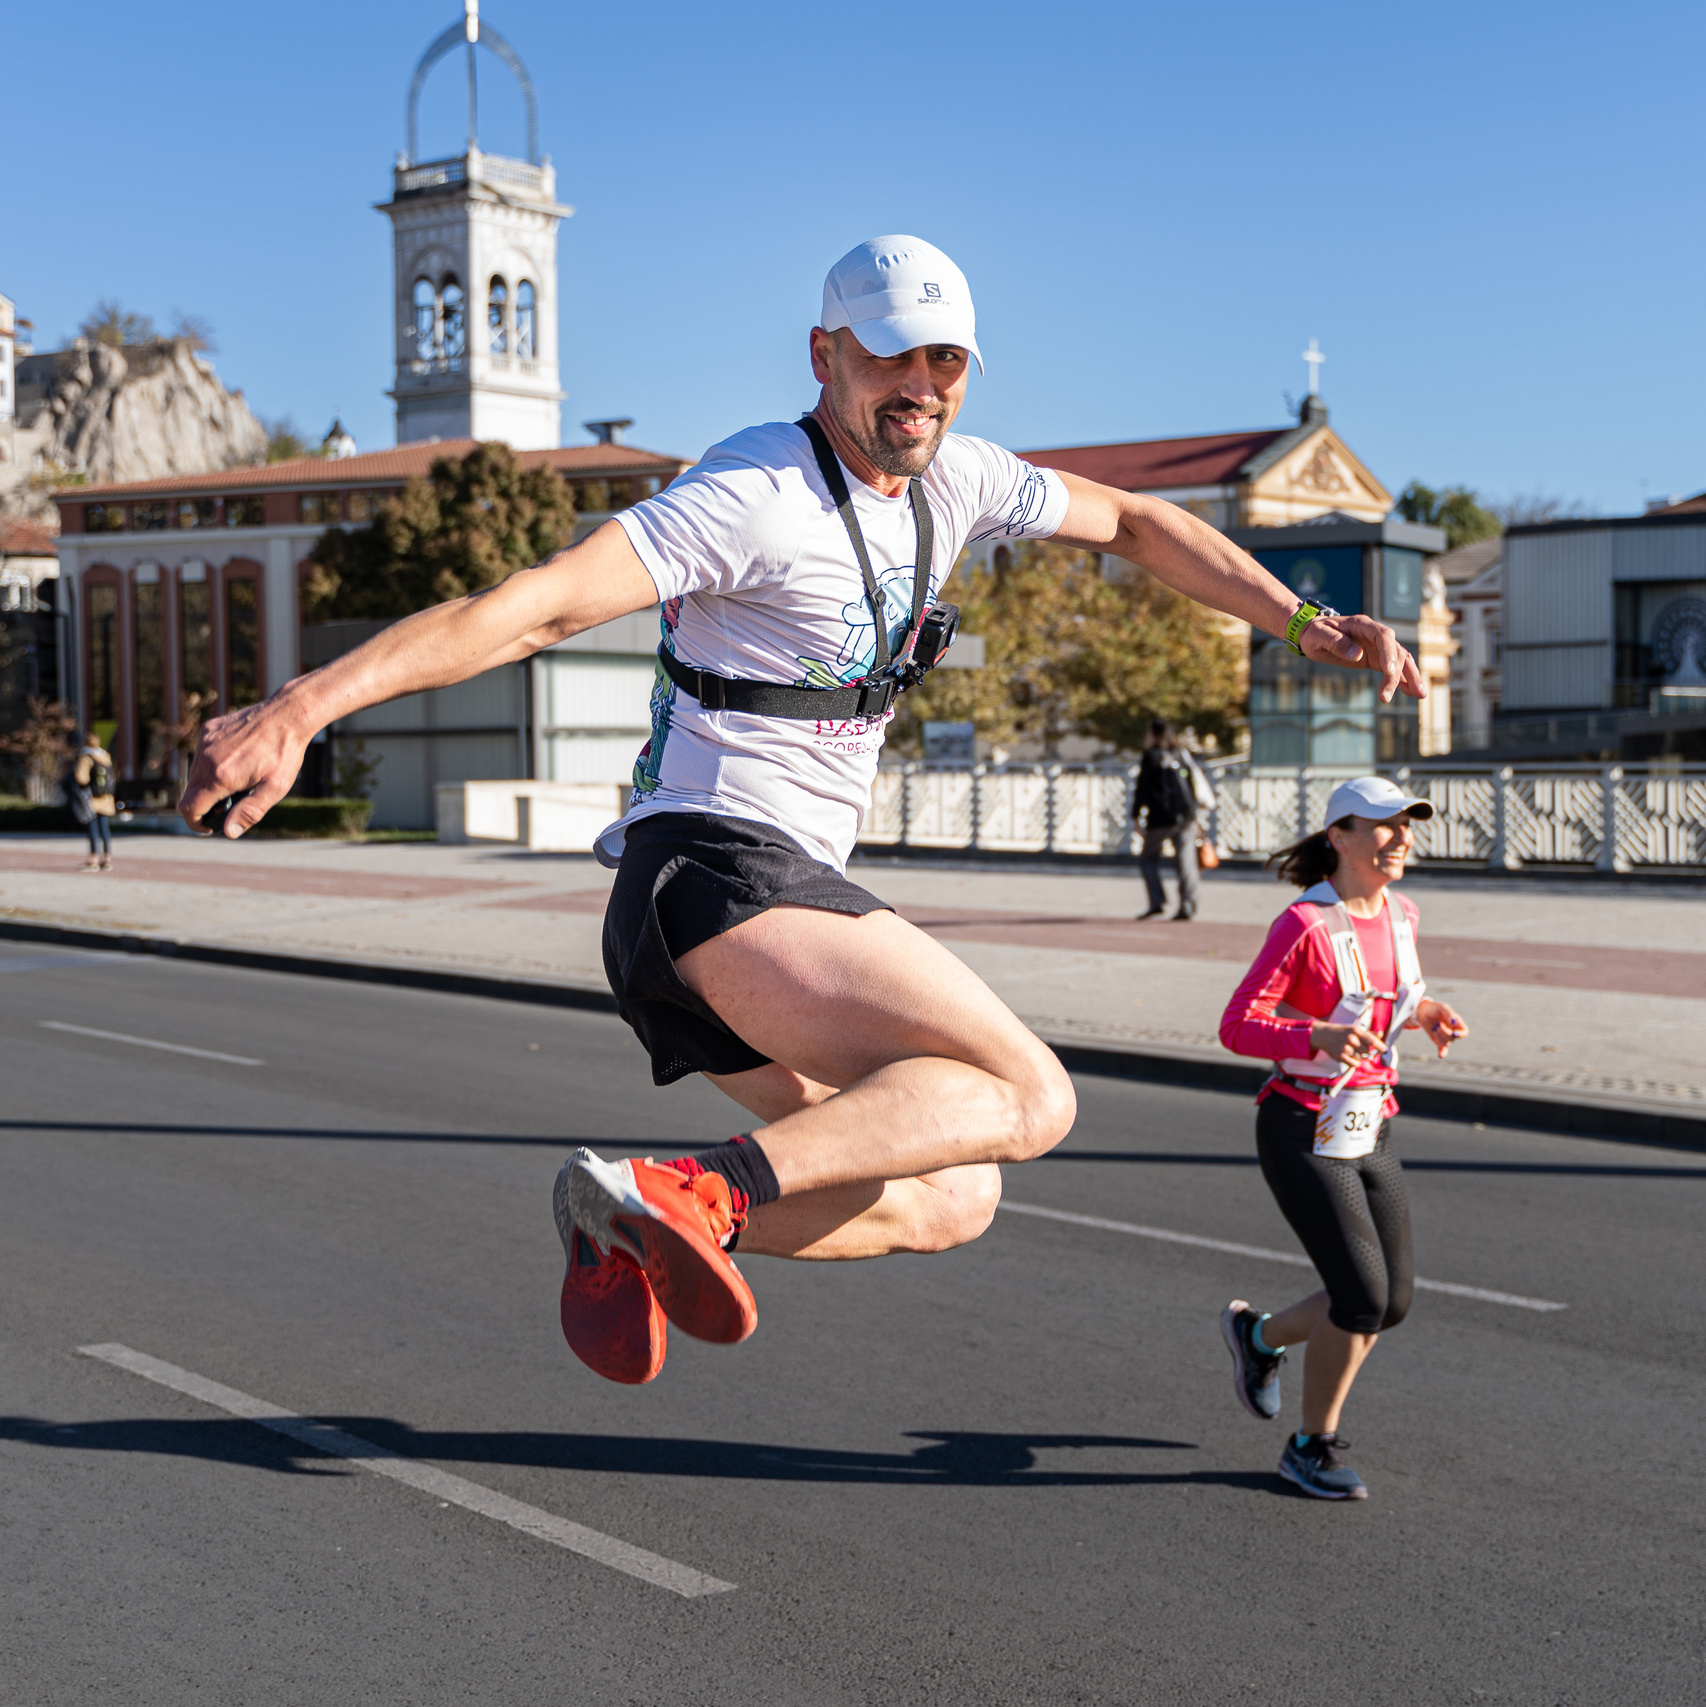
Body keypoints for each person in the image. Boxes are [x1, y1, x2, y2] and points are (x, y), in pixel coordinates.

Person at [181, 235, 1424, 1387]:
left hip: (716, 917)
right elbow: (542, 603)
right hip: (715, 870)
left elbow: (1143, 524)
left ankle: (632, 1216)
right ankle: (694, 1192)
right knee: (1034, 1097)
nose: (919, 385)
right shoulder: (756, 489)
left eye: (944, 361)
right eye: (887, 354)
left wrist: (1309, 624)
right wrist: (306, 704)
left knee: (953, 1196)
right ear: (825, 354)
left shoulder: (963, 485)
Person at [1216, 775, 1467, 1499]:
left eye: (1407, 826)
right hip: (1299, 1123)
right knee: (1358, 1298)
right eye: (1383, 826)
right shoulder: (1302, 925)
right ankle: (1309, 1446)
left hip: (1368, 1121)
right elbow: (1237, 1024)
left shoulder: (1404, 913)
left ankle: (1257, 1338)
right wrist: (1314, 1031)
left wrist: (1428, 1012)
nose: (1401, 839)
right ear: (1340, 836)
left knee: (1391, 1302)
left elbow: (1399, 992)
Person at [1131, 720, 1205, 920]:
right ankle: (1188, 906)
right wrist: (1195, 815)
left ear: (1154, 735)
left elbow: (1143, 788)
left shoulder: (1152, 756)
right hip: (1186, 816)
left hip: (1160, 817)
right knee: (1186, 862)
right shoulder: (1180, 754)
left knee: (1147, 858)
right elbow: (1192, 785)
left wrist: (1136, 816)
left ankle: (1157, 901)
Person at [67, 733, 117, 871]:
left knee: (93, 828)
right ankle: (107, 858)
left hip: (92, 799)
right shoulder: (106, 756)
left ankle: (94, 858)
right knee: (105, 828)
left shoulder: (86, 757)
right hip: (107, 798)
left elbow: (81, 778)